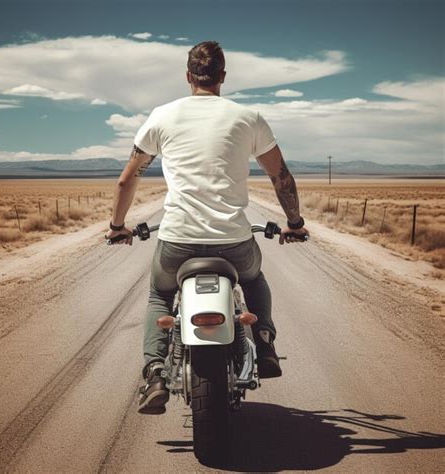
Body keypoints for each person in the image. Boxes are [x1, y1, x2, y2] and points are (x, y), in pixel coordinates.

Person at [105, 41, 309, 414]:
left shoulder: (162, 116)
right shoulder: (249, 118)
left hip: (176, 242)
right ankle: (264, 342)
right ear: (222, 78)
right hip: (233, 241)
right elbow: (281, 177)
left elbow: (126, 181)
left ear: (188, 77)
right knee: (254, 279)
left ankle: (154, 371)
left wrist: (118, 226)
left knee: (159, 297)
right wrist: (294, 223)